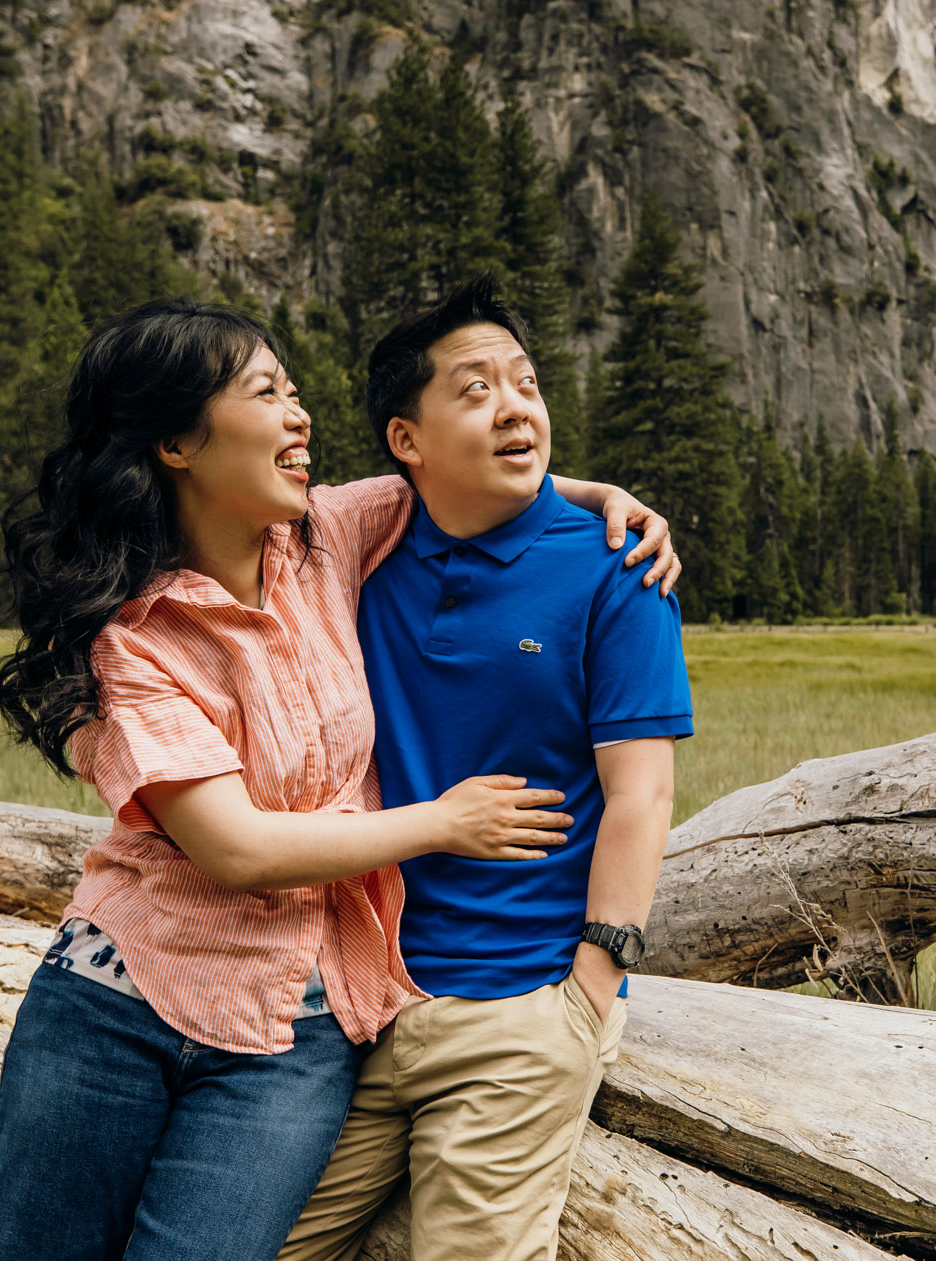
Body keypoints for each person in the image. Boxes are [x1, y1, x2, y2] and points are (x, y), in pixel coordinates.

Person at [0, 297, 679, 1261]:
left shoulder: (326, 536)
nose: (300, 417)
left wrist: (611, 501)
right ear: (179, 442)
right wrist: (441, 822)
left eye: (297, 391)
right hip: (119, 1003)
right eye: (268, 393)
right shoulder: (136, 640)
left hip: (299, 1028)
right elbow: (235, 845)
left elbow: (468, 474)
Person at [281, 276, 690, 1261]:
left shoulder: (614, 569)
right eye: (474, 390)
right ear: (404, 441)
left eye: (527, 383)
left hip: (518, 1010)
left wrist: (588, 991)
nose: (516, 407)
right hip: (363, 1011)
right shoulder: (356, 560)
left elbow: (641, 794)